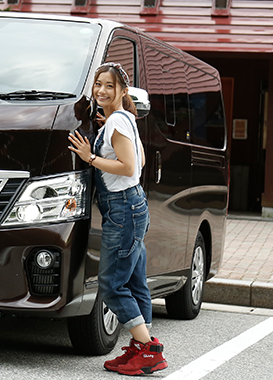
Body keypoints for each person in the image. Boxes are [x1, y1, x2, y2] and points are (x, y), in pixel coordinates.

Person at [68, 62, 167, 376]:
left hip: (123, 210)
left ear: (124, 91)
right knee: (136, 282)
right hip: (132, 206)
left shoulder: (117, 124)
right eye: (98, 84)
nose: (101, 90)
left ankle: (149, 350)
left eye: (110, 85)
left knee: (111, 285)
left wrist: (91, 158)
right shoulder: (121, 120)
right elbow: (137, 161)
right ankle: (142, 348)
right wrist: (108, 124)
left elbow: (128, 167)